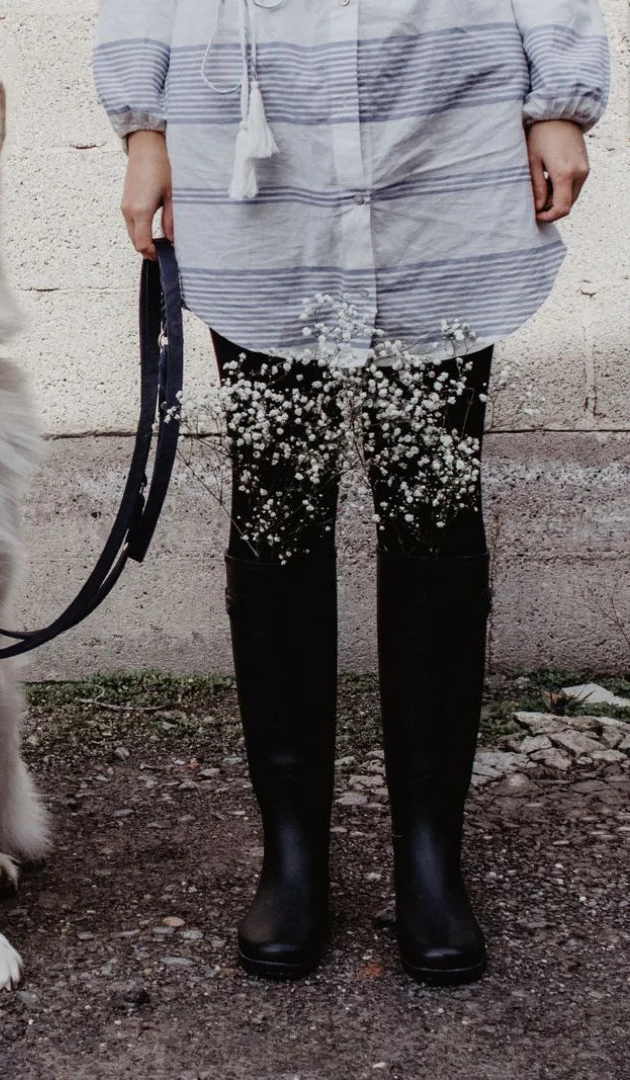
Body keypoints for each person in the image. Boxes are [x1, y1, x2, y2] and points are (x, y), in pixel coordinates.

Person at [94, 0, 609, 985]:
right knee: (280, 514)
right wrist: (145, 126)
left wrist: (560, 97)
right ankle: (293, 856)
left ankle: (429, 856)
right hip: (256, 158)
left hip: (440, 131)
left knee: (434, 508)